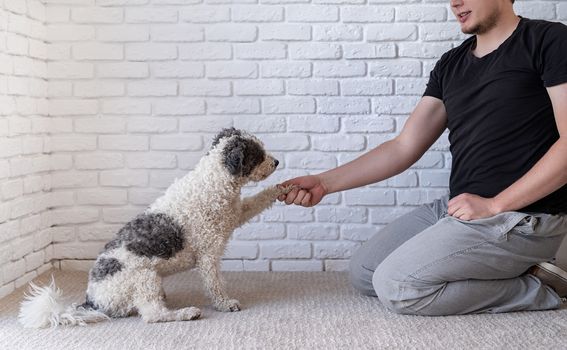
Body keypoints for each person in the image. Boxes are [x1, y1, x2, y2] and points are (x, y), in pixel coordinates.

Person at [277, 0, 567, 315]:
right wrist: (324, 183)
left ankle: (545, 290)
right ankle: (516, 270)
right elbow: (404, 146)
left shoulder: (549, 40)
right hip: (461, 208)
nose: (455, 2)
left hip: (522, 216)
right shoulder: (451, 64)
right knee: (365, 273)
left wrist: (495, 205)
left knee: (398, 286)